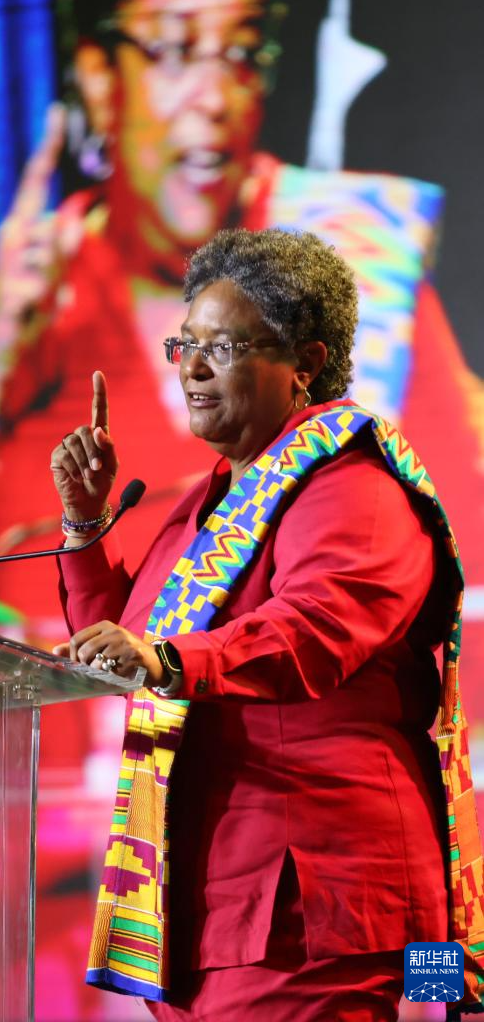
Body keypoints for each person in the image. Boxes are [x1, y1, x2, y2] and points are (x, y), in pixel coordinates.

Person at [50, 228, 484, 1021]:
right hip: (214, 903)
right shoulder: (213, 501)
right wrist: (86, 525)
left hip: (318, 902)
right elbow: (127, 645)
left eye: (221, 347)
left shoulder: (356, 484)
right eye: (185, 343)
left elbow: (314, 631)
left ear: (306, 363)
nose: (191, 366)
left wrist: (164, 658)